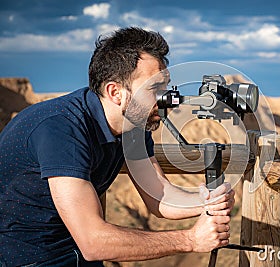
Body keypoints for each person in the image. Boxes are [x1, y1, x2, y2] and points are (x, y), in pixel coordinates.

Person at [0, 27, 235, 267]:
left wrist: (208, 201)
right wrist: (190, 239)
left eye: (167, 88)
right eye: (155, 89)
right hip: (28, 260)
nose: (167, 100)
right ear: (116, 92)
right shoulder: (61, 129)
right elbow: (94, 242)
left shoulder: (134, 126)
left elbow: (159, 196)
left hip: (78, 256)